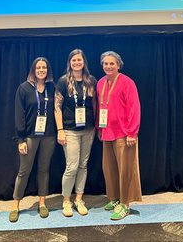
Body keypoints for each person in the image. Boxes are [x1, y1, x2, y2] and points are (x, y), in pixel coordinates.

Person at [96, 50, 142, 220]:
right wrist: (100, 129)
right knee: (109, 169)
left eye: (112, 63)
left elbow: (134, 108)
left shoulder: (127, 82)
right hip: (107, 132)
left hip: (124, 134)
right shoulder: (100, 83)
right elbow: (100, 108)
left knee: (126, 170)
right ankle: (115, 199)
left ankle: (125, 204)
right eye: (106, 64)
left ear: (118, 65)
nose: (108, 66)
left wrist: (132, 132)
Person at [10, 57, 56, 223]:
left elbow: (57, 110)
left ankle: (42, 202)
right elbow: (19, 115)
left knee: (44, 169)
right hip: (29, 136)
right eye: (38, 68)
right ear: (33, 70)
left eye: (44, 67)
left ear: (48, 70)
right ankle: (16, 205)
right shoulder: (23, 88)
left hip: (49, 136)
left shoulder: (52, 88)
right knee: (24, 171)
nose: (41, 70)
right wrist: (20, 139)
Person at [54, 49, 97, 217]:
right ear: (70, 63)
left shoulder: (91, 80)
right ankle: (66, 201)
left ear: (84, 62)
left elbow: (94, 105)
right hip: (69, 130)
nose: (77, 63)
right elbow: (57, 108)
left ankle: (79, 199)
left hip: (88, 130)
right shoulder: (63, 81)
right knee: (71, 167)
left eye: (79, 60)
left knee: (83, 165)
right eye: (74, 60)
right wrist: (60, 131)